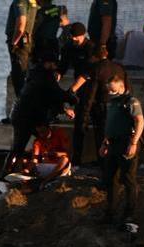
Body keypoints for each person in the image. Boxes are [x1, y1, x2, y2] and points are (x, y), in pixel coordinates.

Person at [99, 70, 144, 228]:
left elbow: (140, 121)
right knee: (111, 180)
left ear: (121, 86)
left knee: (128, 179)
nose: (110, 92)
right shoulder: (111, 102)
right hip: (112, 144)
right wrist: (105, 143)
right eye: (108, 89)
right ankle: (110, 212)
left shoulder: (131, 101)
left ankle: (129, 214)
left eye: (113, 89)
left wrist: (133, 142)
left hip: (126, 143)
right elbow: (109, 124)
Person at [58, 23, 96, 167]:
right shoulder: (69, 47)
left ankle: (101, 159)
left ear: (83, 35)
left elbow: (87, 72)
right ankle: (77, 159)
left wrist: (72, 89)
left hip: (93, 86)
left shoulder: (90, 47)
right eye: (72, 37)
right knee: (79, 123)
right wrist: (56, 77)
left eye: (77, 37)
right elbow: (62, 66)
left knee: (99, 121)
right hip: (78, 87)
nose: (74, 39)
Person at [6, 0, 39, 102]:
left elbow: (21, 23)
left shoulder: (20, 1)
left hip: (20, 44)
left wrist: (14, 43)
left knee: (19, 76)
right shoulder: (32, 1)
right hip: (27, 41)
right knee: (24, 74)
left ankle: (22, 109)